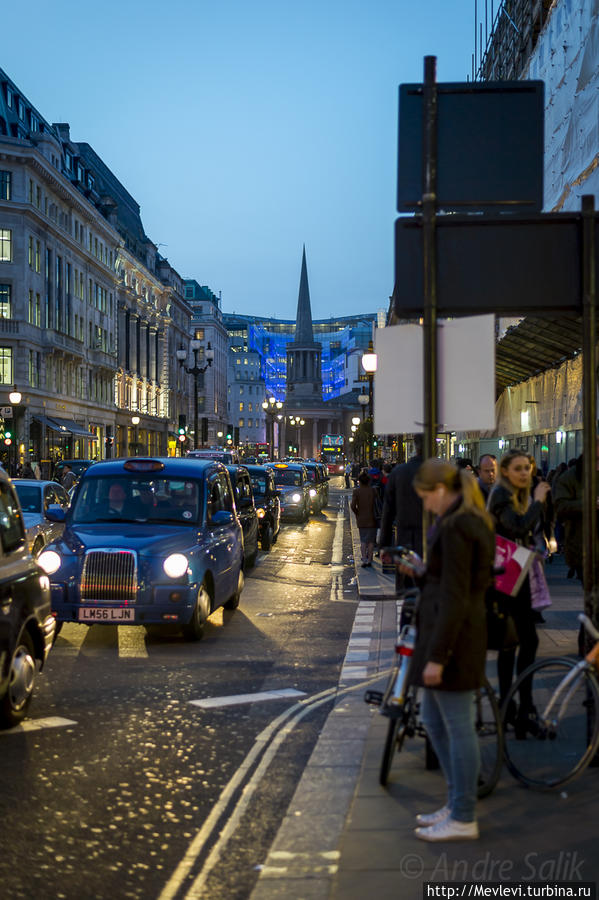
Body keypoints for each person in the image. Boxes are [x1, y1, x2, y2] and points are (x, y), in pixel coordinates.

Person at [400, 458, 494, 842]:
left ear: (440, 490)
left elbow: (457, 597)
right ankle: (456, 804)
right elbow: (449, 581)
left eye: (425, 497)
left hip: (453, 638)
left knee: (456, 728)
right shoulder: (458, 521)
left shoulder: (459, 525)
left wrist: (438, 656)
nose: (424, 505)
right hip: (445, 630)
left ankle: (464, 814)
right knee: (436, 722)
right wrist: (424, 570)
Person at [487, 449, 551, 734]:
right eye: (518, 469)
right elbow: (517, 525)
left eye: (527, 468)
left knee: (517, 641)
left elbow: (523, 533)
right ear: (505, 472)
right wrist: (538, 502)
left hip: (518, 575)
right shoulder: (502, 495)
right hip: (506, 580)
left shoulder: (518, 496)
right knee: (517, 640)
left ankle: (515, 706)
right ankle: (517, 706)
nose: (525, 473)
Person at [379, 434, 424, 557]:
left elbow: (388, 512)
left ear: (415, 446)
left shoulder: (400, 472)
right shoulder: (446, 472)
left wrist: (384, 546)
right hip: (438, 546)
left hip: (407, 541)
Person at [350, 470, 377, 567]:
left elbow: (352, 506)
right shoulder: (373, 490)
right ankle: (370, 559)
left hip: (361, 519)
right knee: (371, 541)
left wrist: (358, 513)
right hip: (372, 518)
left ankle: (364, 559)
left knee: (363, 540)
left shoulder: (356, 491)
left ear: (359, 481)